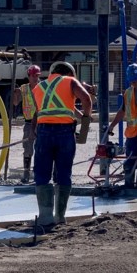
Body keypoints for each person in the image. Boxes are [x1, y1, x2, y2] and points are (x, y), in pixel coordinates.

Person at [32, 61, 92, 229]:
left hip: (43, 132)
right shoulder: (70, 81)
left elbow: (41, 112)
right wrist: (86, 121)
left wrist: (34, 132)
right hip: (65, 132)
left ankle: (45, 217)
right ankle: (60, 216)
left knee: (42, 173)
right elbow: (86, 100)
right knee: (64, 173)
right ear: (69, 73)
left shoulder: (38, 87)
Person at [11, 64, 41, 182]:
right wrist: (15, 94)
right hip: (29, 123)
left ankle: (38, 173)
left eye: (37, 76)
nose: (35, 78)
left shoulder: (42, 87)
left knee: (41, 149)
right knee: (28, 149)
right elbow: (15, 103)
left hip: (41, 122)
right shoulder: (24, 88)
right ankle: (26, 173)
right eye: (33, 76)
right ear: (29, 76)